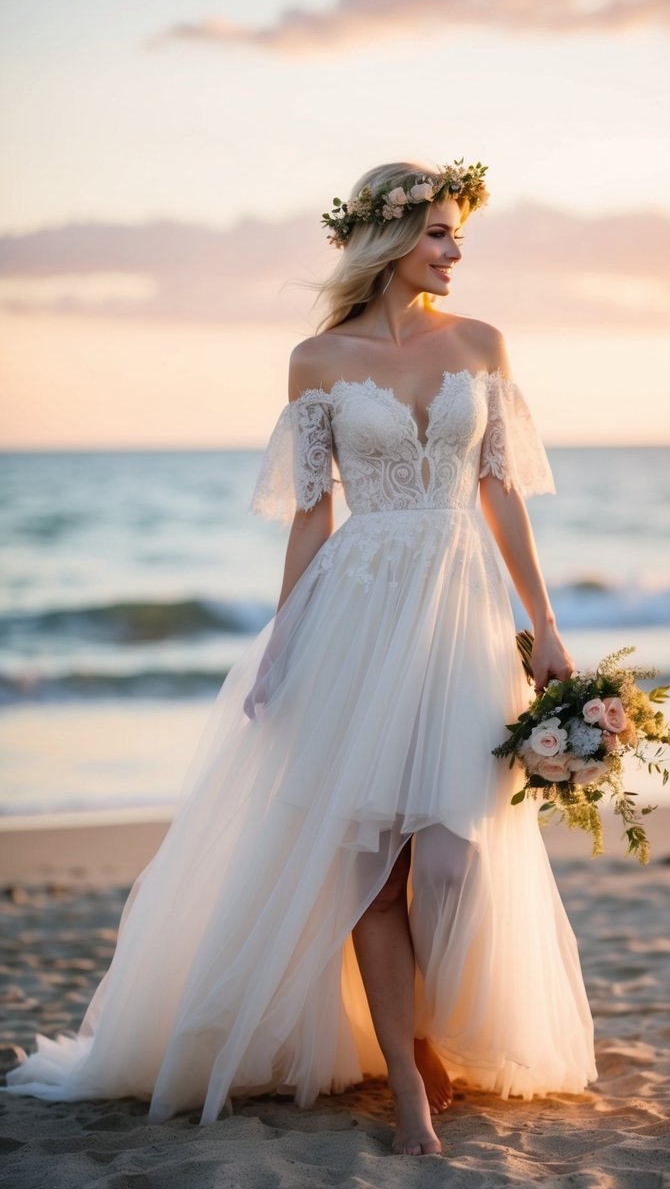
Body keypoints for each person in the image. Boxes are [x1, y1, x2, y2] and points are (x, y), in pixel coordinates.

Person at [3, 159, 597, 1156]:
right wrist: (283, 638)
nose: (455, 254)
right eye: (441, 234)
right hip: (355, 612)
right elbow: (312, 514)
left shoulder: (484, 344)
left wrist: (545, 626)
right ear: (391, 238)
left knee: (449, 861)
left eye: (459, 237)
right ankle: (408, 1079)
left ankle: (419, 1029)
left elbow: (501, 498)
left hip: (456, 606)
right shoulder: (315, 359)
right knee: (369, 869)